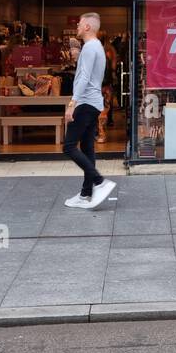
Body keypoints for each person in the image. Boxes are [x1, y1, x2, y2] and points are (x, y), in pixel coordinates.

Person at [63, 12, 115, 209]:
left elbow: (84, 78)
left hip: (85, 103)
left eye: (79, 23)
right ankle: (86, 193)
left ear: (87, 27)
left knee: (68, 146)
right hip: (94, 103)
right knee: (87, 148)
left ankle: (100, 182)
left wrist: (72, 104)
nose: (77, 26)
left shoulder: (90, 48)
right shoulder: (96, 47)